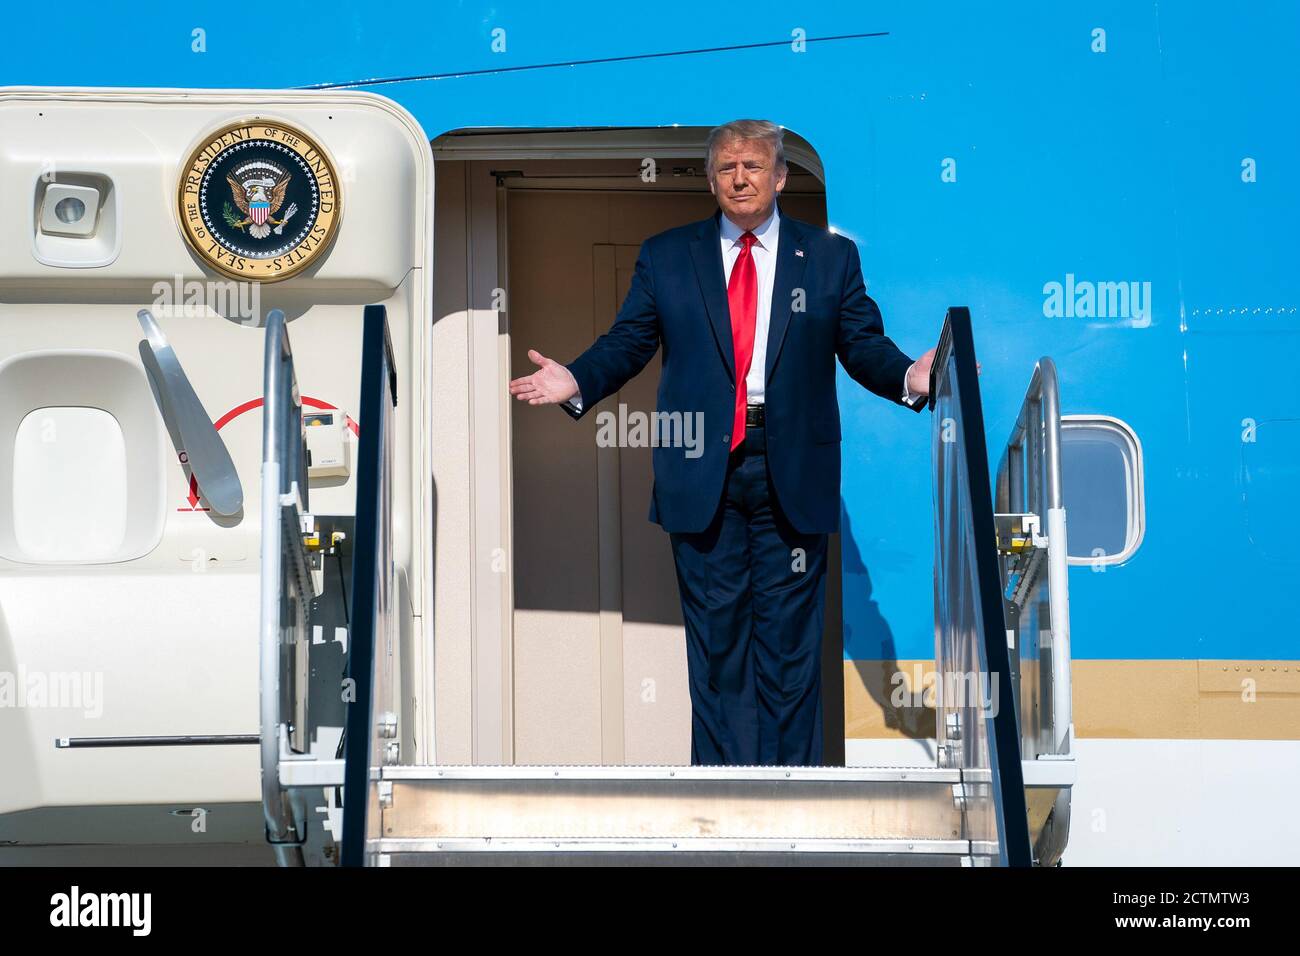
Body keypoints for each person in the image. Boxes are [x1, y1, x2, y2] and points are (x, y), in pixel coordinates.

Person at [509, 119, 935, 766]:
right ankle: (724, 795)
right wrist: (576, 378)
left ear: (781, 177)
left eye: (755, 166)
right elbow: (629, 341)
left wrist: (911, 374)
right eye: (728, 168)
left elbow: (862, 345)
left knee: (791, 649)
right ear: (711, 180)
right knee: (717, 646)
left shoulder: (827, 258)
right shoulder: (667, 254)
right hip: (701, 471)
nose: (740, 178)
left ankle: (793, 800)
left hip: (790, 468)